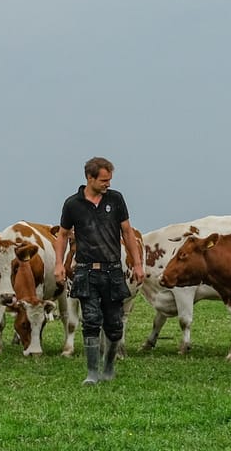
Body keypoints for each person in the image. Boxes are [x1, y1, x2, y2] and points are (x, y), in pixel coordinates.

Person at [53, 156, 145, 385]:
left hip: (112, 270)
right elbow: (63, 235)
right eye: (104, 180)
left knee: (114, 324)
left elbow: (127, 232)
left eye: (110, 180)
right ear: (89, 178)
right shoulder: (72, 204)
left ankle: (109, 367)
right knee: (91, 321)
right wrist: (58, 263)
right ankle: (92, 372)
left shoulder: (115, 200)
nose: (108, 184)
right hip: (86, 270)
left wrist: (137, 263)